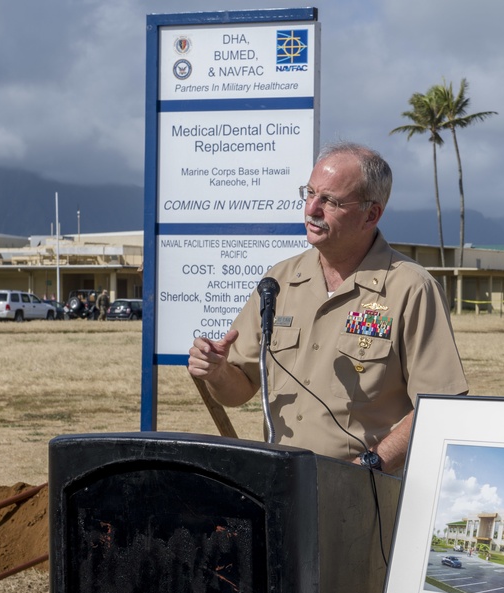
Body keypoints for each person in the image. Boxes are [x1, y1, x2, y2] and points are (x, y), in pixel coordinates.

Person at [188, 141, 467, 474]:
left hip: (368, 495)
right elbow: (240, 390)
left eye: (330, 201)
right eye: (309, 194)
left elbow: (440, 408)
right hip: (286, 488)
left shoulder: (411, 288)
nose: (311, 209)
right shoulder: (279, 281)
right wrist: (218, 372)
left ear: (371, 214)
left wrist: (370, 465)